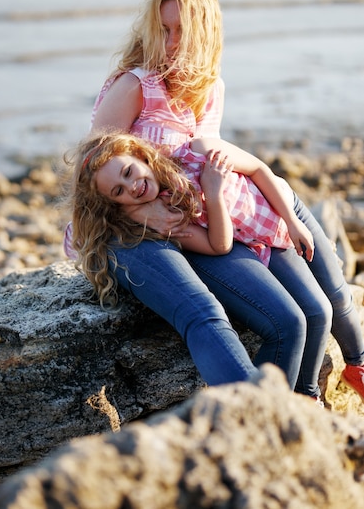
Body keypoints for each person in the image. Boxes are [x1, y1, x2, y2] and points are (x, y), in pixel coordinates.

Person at [64, 0, 364, 400]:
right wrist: (139, 210)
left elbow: (212, 159)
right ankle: (258, 416)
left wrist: (230, 199)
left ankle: (303, 404)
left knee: (313, 309)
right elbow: (97, 170)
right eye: (162, 29)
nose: (169, 44)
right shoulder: (135, 86)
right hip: (136, 224)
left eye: (180, 32)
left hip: (206, 218)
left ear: (204, 33)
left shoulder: (209, 89)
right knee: (213, 313)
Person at [65, 130, 364, 402]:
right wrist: (214, 192)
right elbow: (220, 245)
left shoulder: (196, 152)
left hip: (280, 225)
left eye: (129, 171)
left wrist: (292, 220)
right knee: (301, 318)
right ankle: (298, 402)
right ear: (115, 204)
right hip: (256, 245)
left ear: (140, 155)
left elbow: (259, 169)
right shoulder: (162, 216)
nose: (132, 186)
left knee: (327, 307)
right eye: (119, 191)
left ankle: (323, 385)